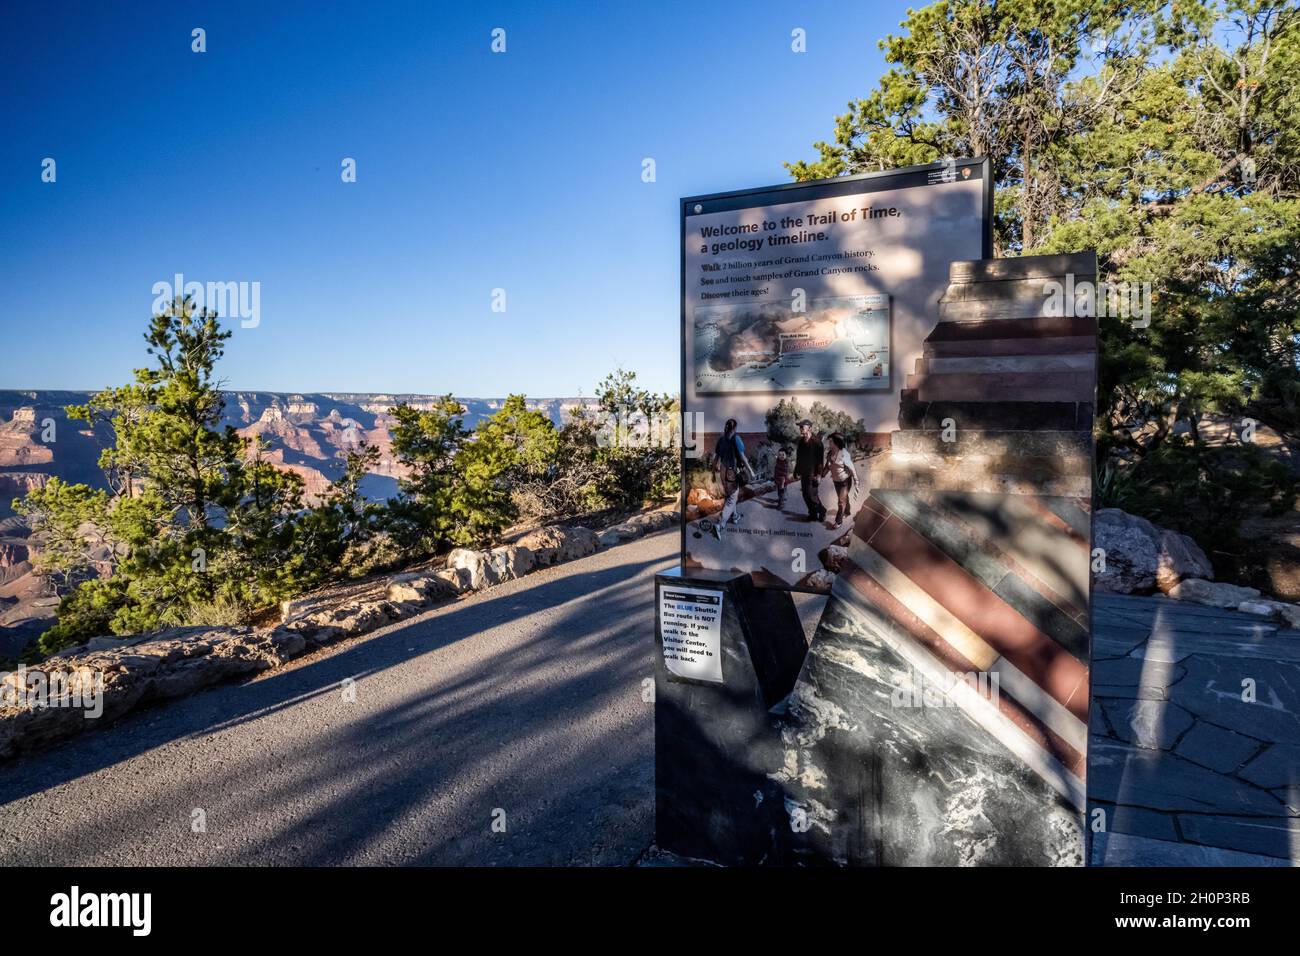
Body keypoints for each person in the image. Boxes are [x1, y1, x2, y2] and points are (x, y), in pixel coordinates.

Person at [711, 418, 753, 540]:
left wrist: (713, 472)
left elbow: (716, 458)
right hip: (732, 472)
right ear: (735, 428)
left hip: (723, 471)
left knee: (729, 495)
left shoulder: (721, 440)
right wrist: (751, 471)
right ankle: (719, 525)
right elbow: (743, 457)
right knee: (731, 498)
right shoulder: (736, 439)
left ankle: (734, 517)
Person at [822, 431, 859, 527]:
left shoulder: (844, 454)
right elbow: (827, 466)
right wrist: (822, 475)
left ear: (836, 443)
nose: (829, 443)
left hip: (845, 481)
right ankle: (847, 511)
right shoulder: (830, 453)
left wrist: (856, 480)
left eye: (831, 441)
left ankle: (838, 522)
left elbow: (851, 468)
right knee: (843, 498)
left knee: (841, 501)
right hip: (836, 481)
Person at [793, 419, 826, 522]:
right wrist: (796, 471)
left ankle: (822, 511)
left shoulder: (817, 443)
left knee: (812, 495)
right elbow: (799, 458)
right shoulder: (801, 442)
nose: (801, 429)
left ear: (810, 428)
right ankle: (813, 515)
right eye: (800, 427)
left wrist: (819, 475)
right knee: (805, 495)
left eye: (803, 427)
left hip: (813, 473)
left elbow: (820, 460)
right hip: (804, 473)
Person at [773, 446, 792, 510]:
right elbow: (777, 458)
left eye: (783, 455)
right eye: (779, 455)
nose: (781, 456)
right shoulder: (779, 460)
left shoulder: (786, 463)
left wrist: (783, 482)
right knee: (782, 491)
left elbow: (785, 473)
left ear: (786, 455)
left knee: (781, 491)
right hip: (779, 478)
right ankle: (782, 498)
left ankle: (781, 504)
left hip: (782, 480)